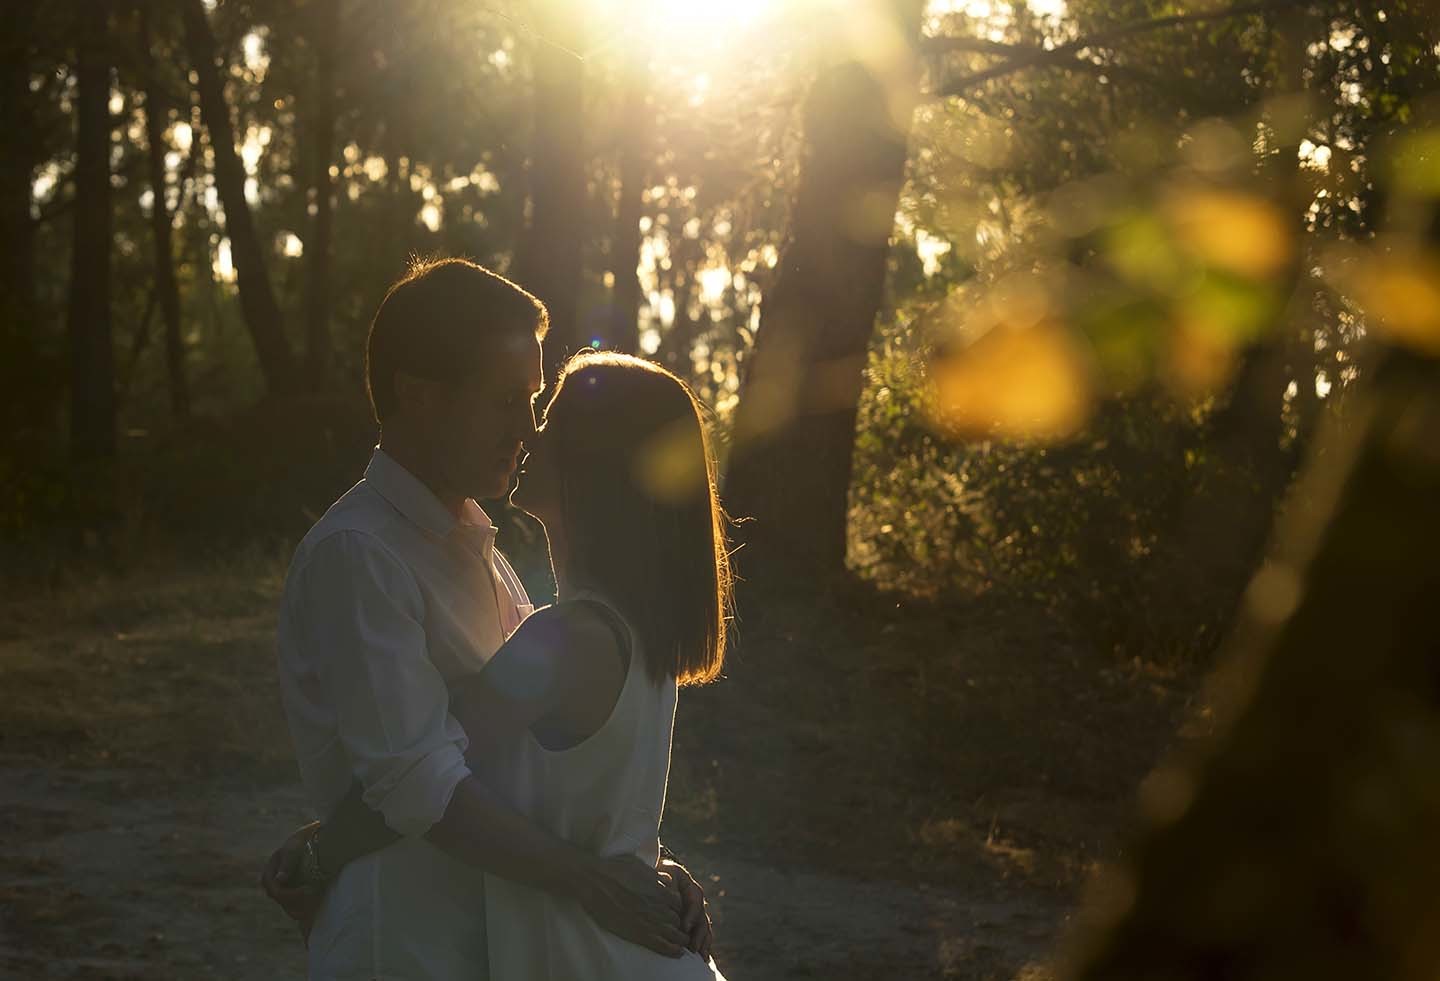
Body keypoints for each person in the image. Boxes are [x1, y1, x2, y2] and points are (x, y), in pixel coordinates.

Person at [266, 258, 714, 979]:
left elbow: (537, 766)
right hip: (406, 942)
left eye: (533, 399)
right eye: (508, 399)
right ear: (421, 396)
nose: (530, 428)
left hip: (498, 941)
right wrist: (602, 876)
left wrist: (641, 861)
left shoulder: (484, 553)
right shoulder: (361, 554)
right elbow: (416, 778)